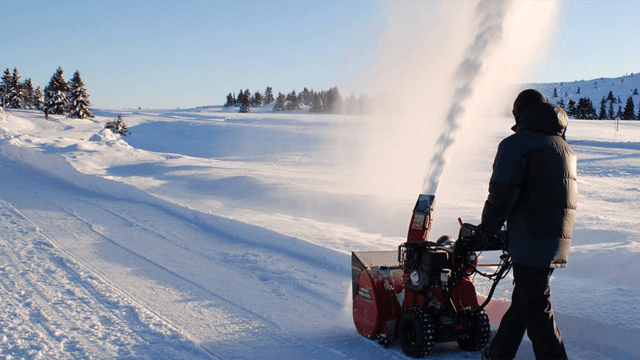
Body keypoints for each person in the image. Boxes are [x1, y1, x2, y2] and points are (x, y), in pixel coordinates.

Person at [480, 89, 578, 360]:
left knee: (537, 311)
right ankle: (497, 354)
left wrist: (486, 229)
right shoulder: (563, 146)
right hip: (556, 239)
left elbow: (502, 193)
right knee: (525, 301)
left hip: (531, 238)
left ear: (519, 112)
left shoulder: (517, 144)